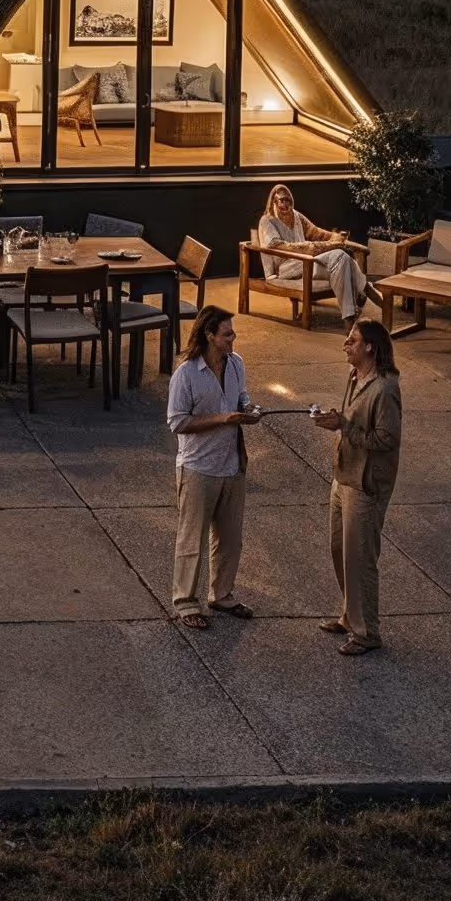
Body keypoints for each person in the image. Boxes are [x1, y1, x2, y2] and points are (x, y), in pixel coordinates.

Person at [165, 304, 259, 629]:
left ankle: (222, 594)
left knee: (230, 537)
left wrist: (249, 409)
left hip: (231, 464)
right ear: (209, 335)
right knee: (192, 538)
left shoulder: (236, 365)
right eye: (227, 334)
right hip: (198, 467)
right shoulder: (186, 374)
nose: (233, 339)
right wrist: (223, 419)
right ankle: (186, 602)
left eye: (232, 333)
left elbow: (242, 397)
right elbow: (177, 422)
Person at [313, 318, 402, 655]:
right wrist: (337, 420)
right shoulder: (355, 376)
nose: (345, 345)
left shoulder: (385, 388)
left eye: (352, 341)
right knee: (340, 549)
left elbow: (387, 438)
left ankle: (367, 632)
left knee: (361, 557)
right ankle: (351, 616)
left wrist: (344, 427)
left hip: (366, 483)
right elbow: (352, 420)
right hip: (344, 474)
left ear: (370, 347)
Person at [257, 182, 367, 321]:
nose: (286, 204)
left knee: (342, 259)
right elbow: (276, 245)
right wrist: (313, 247)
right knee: (339, 258)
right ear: (273, 200)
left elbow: (316, 232)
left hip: (307, 261)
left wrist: (334, 237)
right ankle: (361, 289)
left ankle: (349, 316)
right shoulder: (267, 221)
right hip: (285, 268)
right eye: (282, 200)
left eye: (289, 200)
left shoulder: (296, 217)